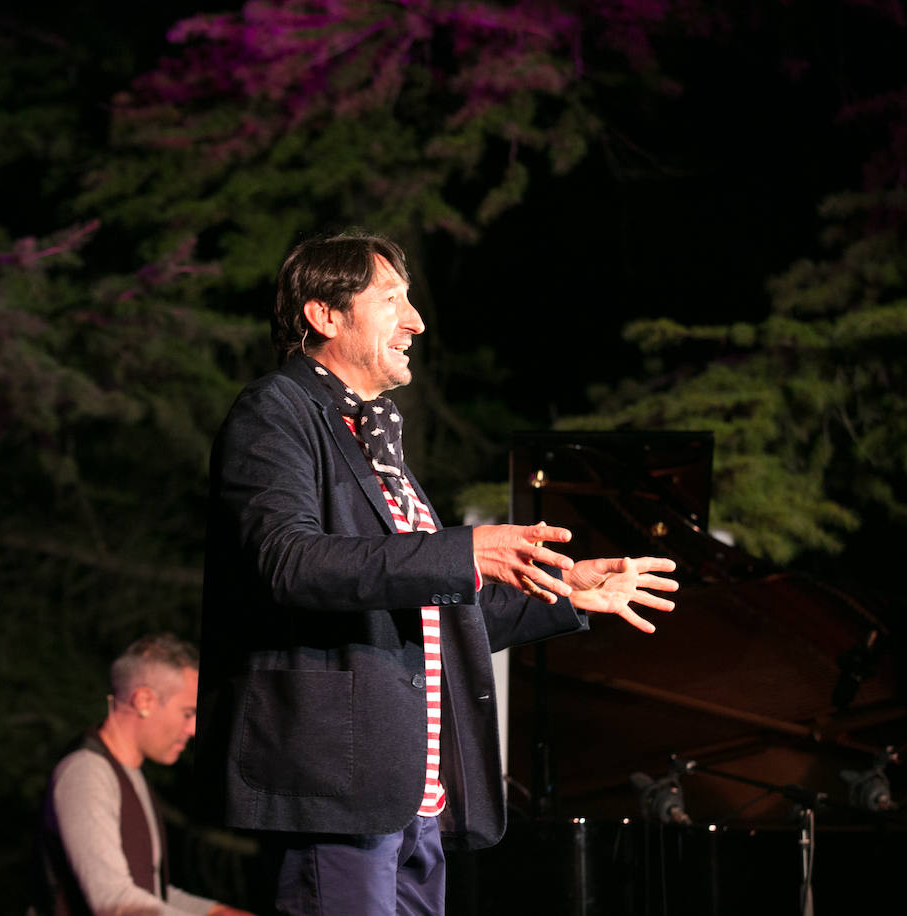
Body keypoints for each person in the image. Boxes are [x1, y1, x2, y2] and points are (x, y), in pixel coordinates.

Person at [194, 230, 680, 915]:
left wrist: (566, 594)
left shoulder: (373, 439)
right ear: (324, 316)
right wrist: (461, 550)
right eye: (391, 299)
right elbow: (288, 561)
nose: (415, 321)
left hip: (412, 800)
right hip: (340, 791)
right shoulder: (275, 412)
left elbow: (434, 612)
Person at [36, 634, 254, 916]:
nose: (192, 729)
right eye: (187, 713)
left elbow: (151, 893)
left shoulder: (130, 774)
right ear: (144, 700)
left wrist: (217, 912)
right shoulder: (86, 773)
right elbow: (116, 903)